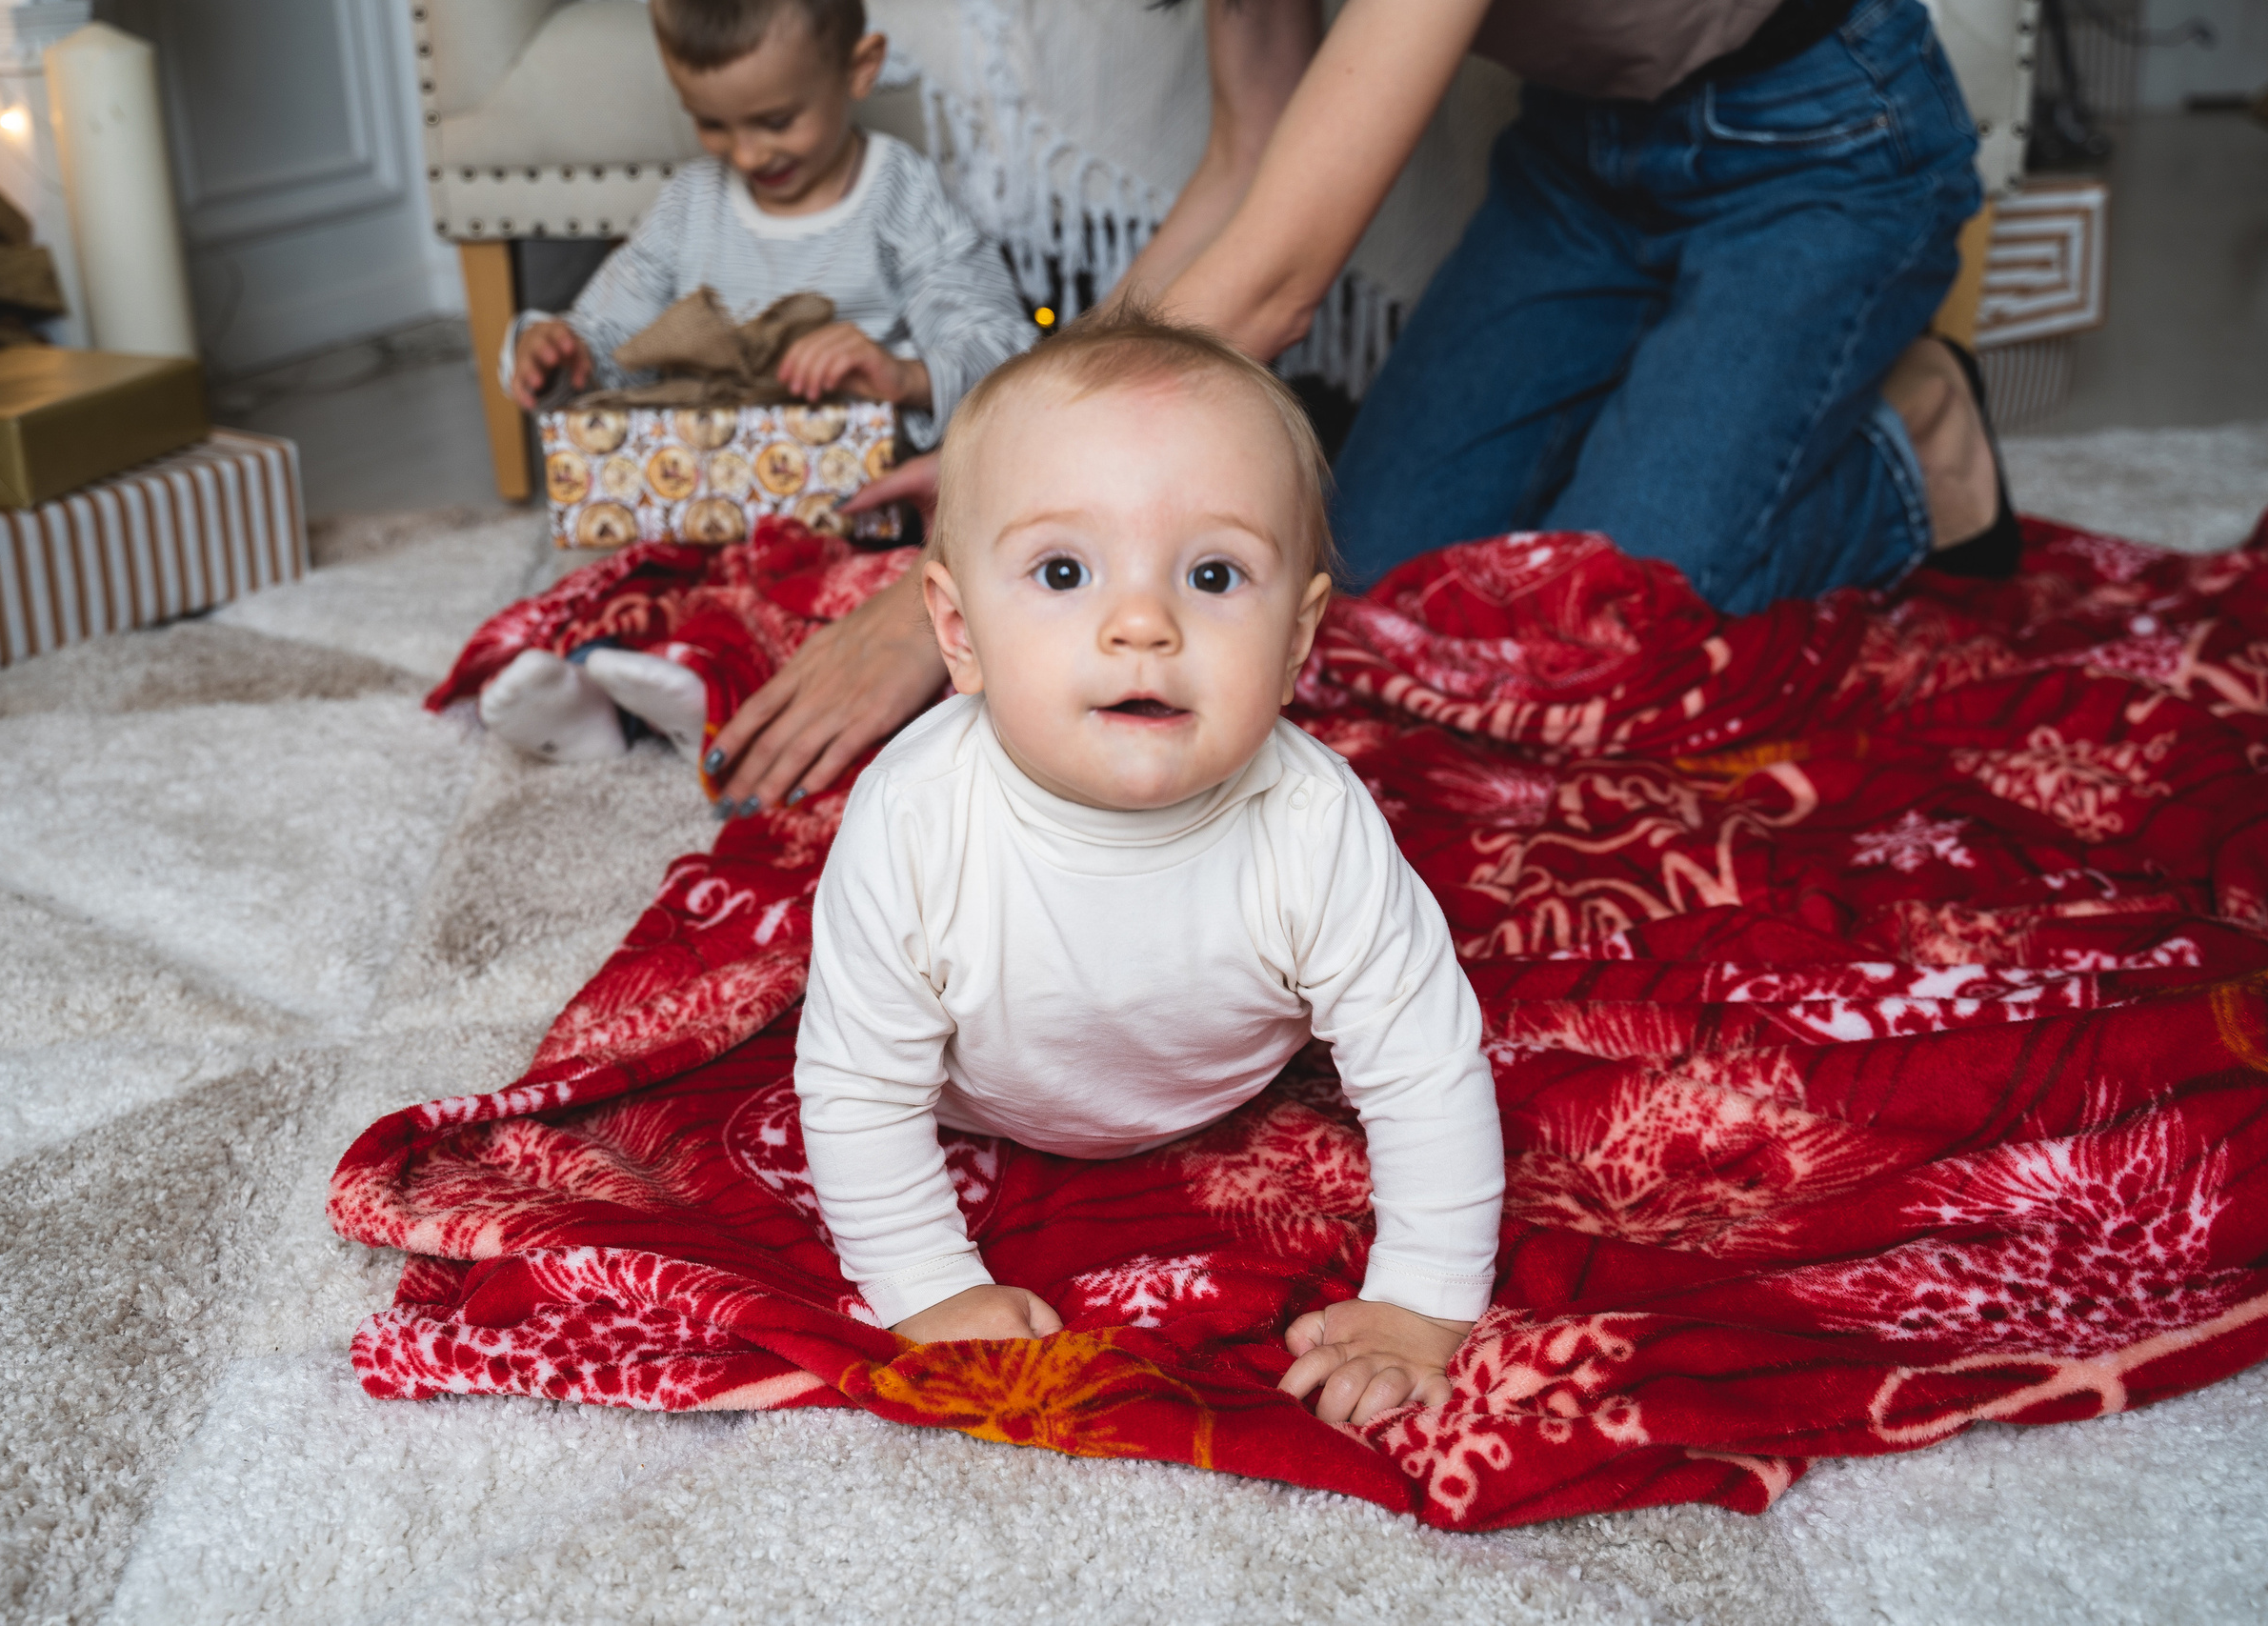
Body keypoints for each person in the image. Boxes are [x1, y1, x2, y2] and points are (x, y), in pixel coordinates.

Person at [700, 0, 2009, 813]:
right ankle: (1690, 387)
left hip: (1822, 144)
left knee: (1599, 630)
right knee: (1376, 582)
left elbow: (1270, 286)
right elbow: (1250, 154)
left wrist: (981, 526)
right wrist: (1021, 423)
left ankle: (1916, 441)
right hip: (1584, 160)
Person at [793, 309, 1506, 1427]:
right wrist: (929, 1290)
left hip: (1220, 1086)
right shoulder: (914, 821)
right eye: (1064, 569)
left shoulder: (1314, 825)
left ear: (1297, 643)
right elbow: (856, 1092)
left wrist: (1421, 1303)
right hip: (984, 1102)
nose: (1141, 624)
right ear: (958, 629)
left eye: (1214, 574)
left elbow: (1425, 1069)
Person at [476, 0, 1035, 766]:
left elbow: (1001, 344)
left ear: (858, 69)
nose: (745, 152)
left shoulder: (899, 196)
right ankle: (598, 695)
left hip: (847, 512)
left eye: (776, 119)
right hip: (706, 499)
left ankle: (694, 686)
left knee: (887, 596)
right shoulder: (689, 208)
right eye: (712, 124)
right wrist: (557, 346)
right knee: (634, 569)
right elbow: (609, 336)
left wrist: (902, 375)